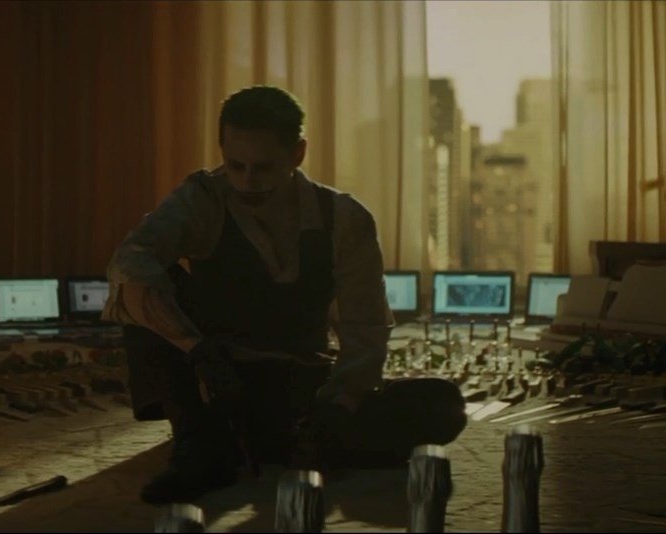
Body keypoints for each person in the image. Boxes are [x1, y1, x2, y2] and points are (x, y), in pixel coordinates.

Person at [103, 86, 467, 505]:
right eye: (235, 165)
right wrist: (197, 350)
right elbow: (130, 262)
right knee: (143, 291)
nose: (247, 181)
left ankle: (268, 438)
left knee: (441, 405)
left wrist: (338, 406)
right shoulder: (203, 198)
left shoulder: (345, 217)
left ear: (298, 153)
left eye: (263, 167)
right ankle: (202, 443)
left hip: (297, 380)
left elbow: (365, 327)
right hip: (213, 379)